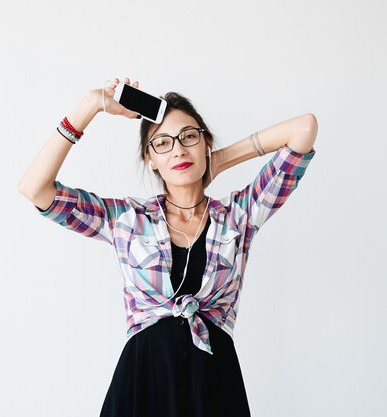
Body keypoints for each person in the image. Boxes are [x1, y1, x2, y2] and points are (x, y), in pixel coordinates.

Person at [17, 77, 318, 417]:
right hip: (143, 384)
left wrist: (218, 161)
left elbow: (304, 130)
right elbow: (34, 188)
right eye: (162, 143)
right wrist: (88, 106)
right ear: (150, 159)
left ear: (205, 143)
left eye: (189, 137)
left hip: (215, 387)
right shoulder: (126, 219)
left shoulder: (239, 216)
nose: (177, 149)